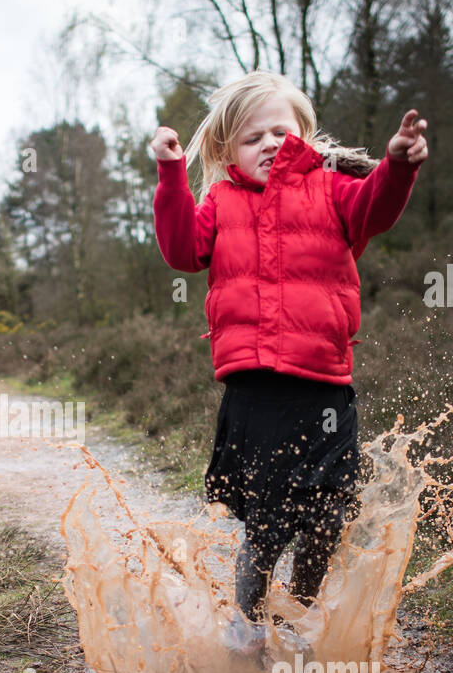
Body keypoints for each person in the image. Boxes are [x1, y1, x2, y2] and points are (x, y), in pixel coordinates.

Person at [151, 71, 427, 620]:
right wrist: (170, 174)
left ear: (304, 134)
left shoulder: (332, 191)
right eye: (253, 138)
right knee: (268, 523)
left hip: (325, 385)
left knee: (328, 516)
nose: (270, 144)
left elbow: (376, 208)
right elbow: (181, 251)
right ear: (229, 150)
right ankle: (248, 626)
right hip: (256, 392)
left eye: (281, 131)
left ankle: (299, 616)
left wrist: (398, 166)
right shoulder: (223, 201)